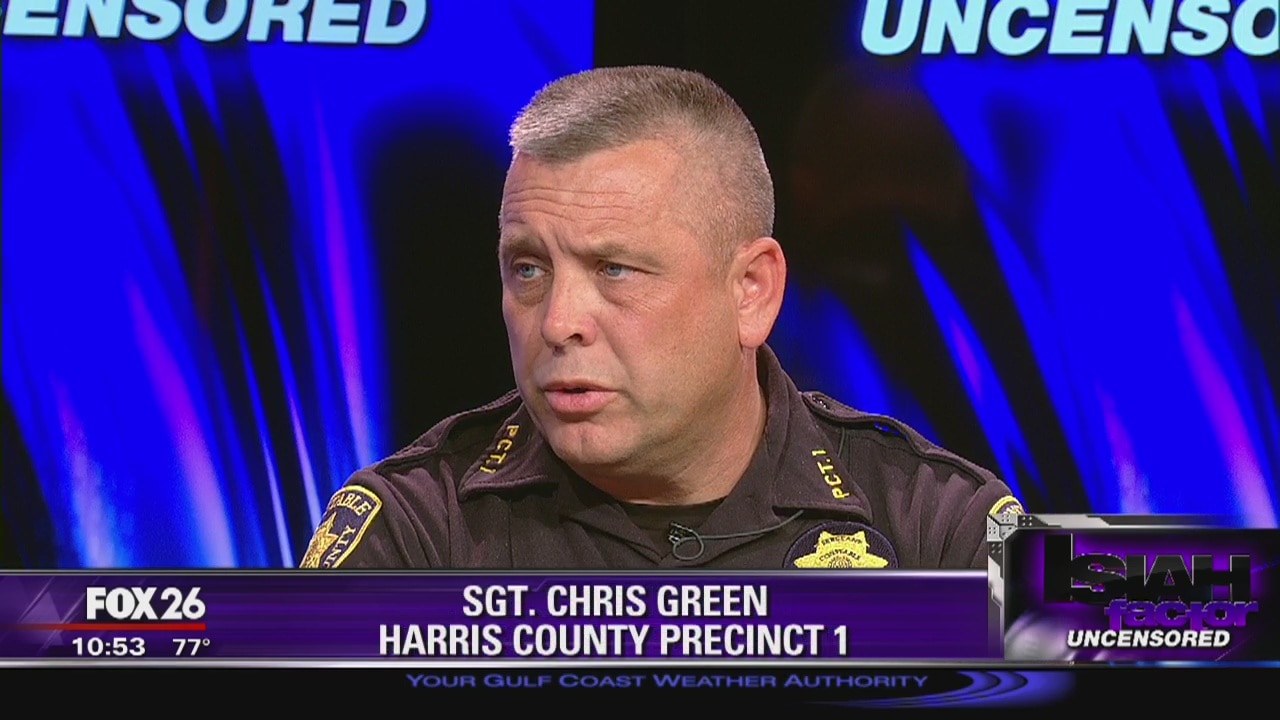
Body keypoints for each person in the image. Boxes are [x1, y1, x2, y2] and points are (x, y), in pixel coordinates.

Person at [298, 65, 1023, 571]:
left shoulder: (945, 528)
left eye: (615, 269)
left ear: (752, 291)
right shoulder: (412, 533)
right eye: (529, 269)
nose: (558, 322)